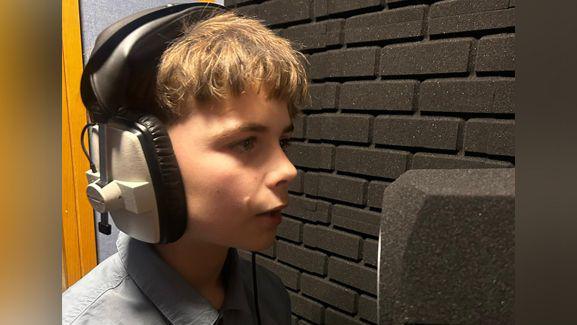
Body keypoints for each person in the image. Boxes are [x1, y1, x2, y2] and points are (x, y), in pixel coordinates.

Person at [62, 9, 308, 325]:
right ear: (138, 162)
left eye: (283, 142)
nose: (287, 170)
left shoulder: (270, 297)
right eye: (246, 142)